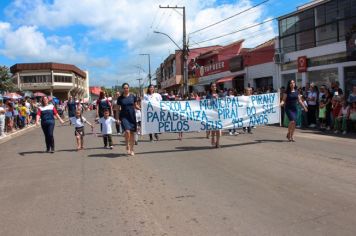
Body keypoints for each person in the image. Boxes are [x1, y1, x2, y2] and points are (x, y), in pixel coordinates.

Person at [117, 83, 140, 156]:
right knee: (127, 131)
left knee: (132, 133)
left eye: (127, 88)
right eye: (124, 88)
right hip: (124, 117)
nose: (126, 89)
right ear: (122, 89)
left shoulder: (133, 96)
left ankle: (132, 150)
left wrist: (141, 108)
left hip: (132, 116)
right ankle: (127, 144)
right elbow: (117, 109)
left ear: (129, 88)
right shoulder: (120, 98)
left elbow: (135, 106)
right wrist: (117, 118)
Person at [206, 82, 222, 148]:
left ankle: (217, 143)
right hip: (211, 113)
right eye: (212, 86)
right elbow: (206, 104)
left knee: (218, 129)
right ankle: (213, 139)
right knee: (213, 128)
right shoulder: (208, 95)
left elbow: (224, 102)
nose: (214, 87)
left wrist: (218, 98)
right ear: (210, 87)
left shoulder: (220, 94)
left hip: (218, 113)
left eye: (215, 86)